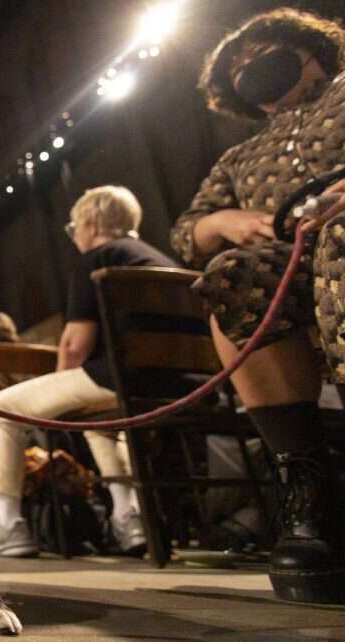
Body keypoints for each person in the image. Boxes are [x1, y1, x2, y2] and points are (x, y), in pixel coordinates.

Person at [170, 8, 345, 603]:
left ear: (309, 49)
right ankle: (310, 498)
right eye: (238, 67)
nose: (250, 66)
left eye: (261, 51)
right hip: (287, 261)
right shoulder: (238, 158)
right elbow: (186, 231)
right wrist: (226, 221)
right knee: (231, 278)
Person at [0, 186, 180, 557]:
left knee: (2, 408)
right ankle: (128, 515)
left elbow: (75, 347)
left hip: (118, 379)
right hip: (179, 385)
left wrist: (56, 401)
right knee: (99, 425)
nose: (74, 236)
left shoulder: (97, 261)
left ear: (89, 223)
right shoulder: (164, 260)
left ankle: (7, 522)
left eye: (74, 227)